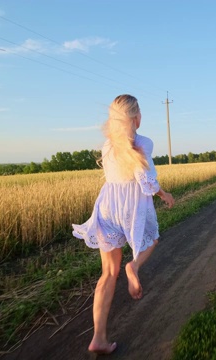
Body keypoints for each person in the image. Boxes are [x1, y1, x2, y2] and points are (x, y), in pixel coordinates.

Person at [72, 94, 174, 355]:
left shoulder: (107, 147)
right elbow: (146, 181)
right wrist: (164, 195)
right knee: (152, 239)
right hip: (132, 205)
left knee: (107, 274)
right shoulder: (143, 143)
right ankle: (134, 265)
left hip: (107, 207)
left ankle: (98, 338)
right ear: (137, 119)